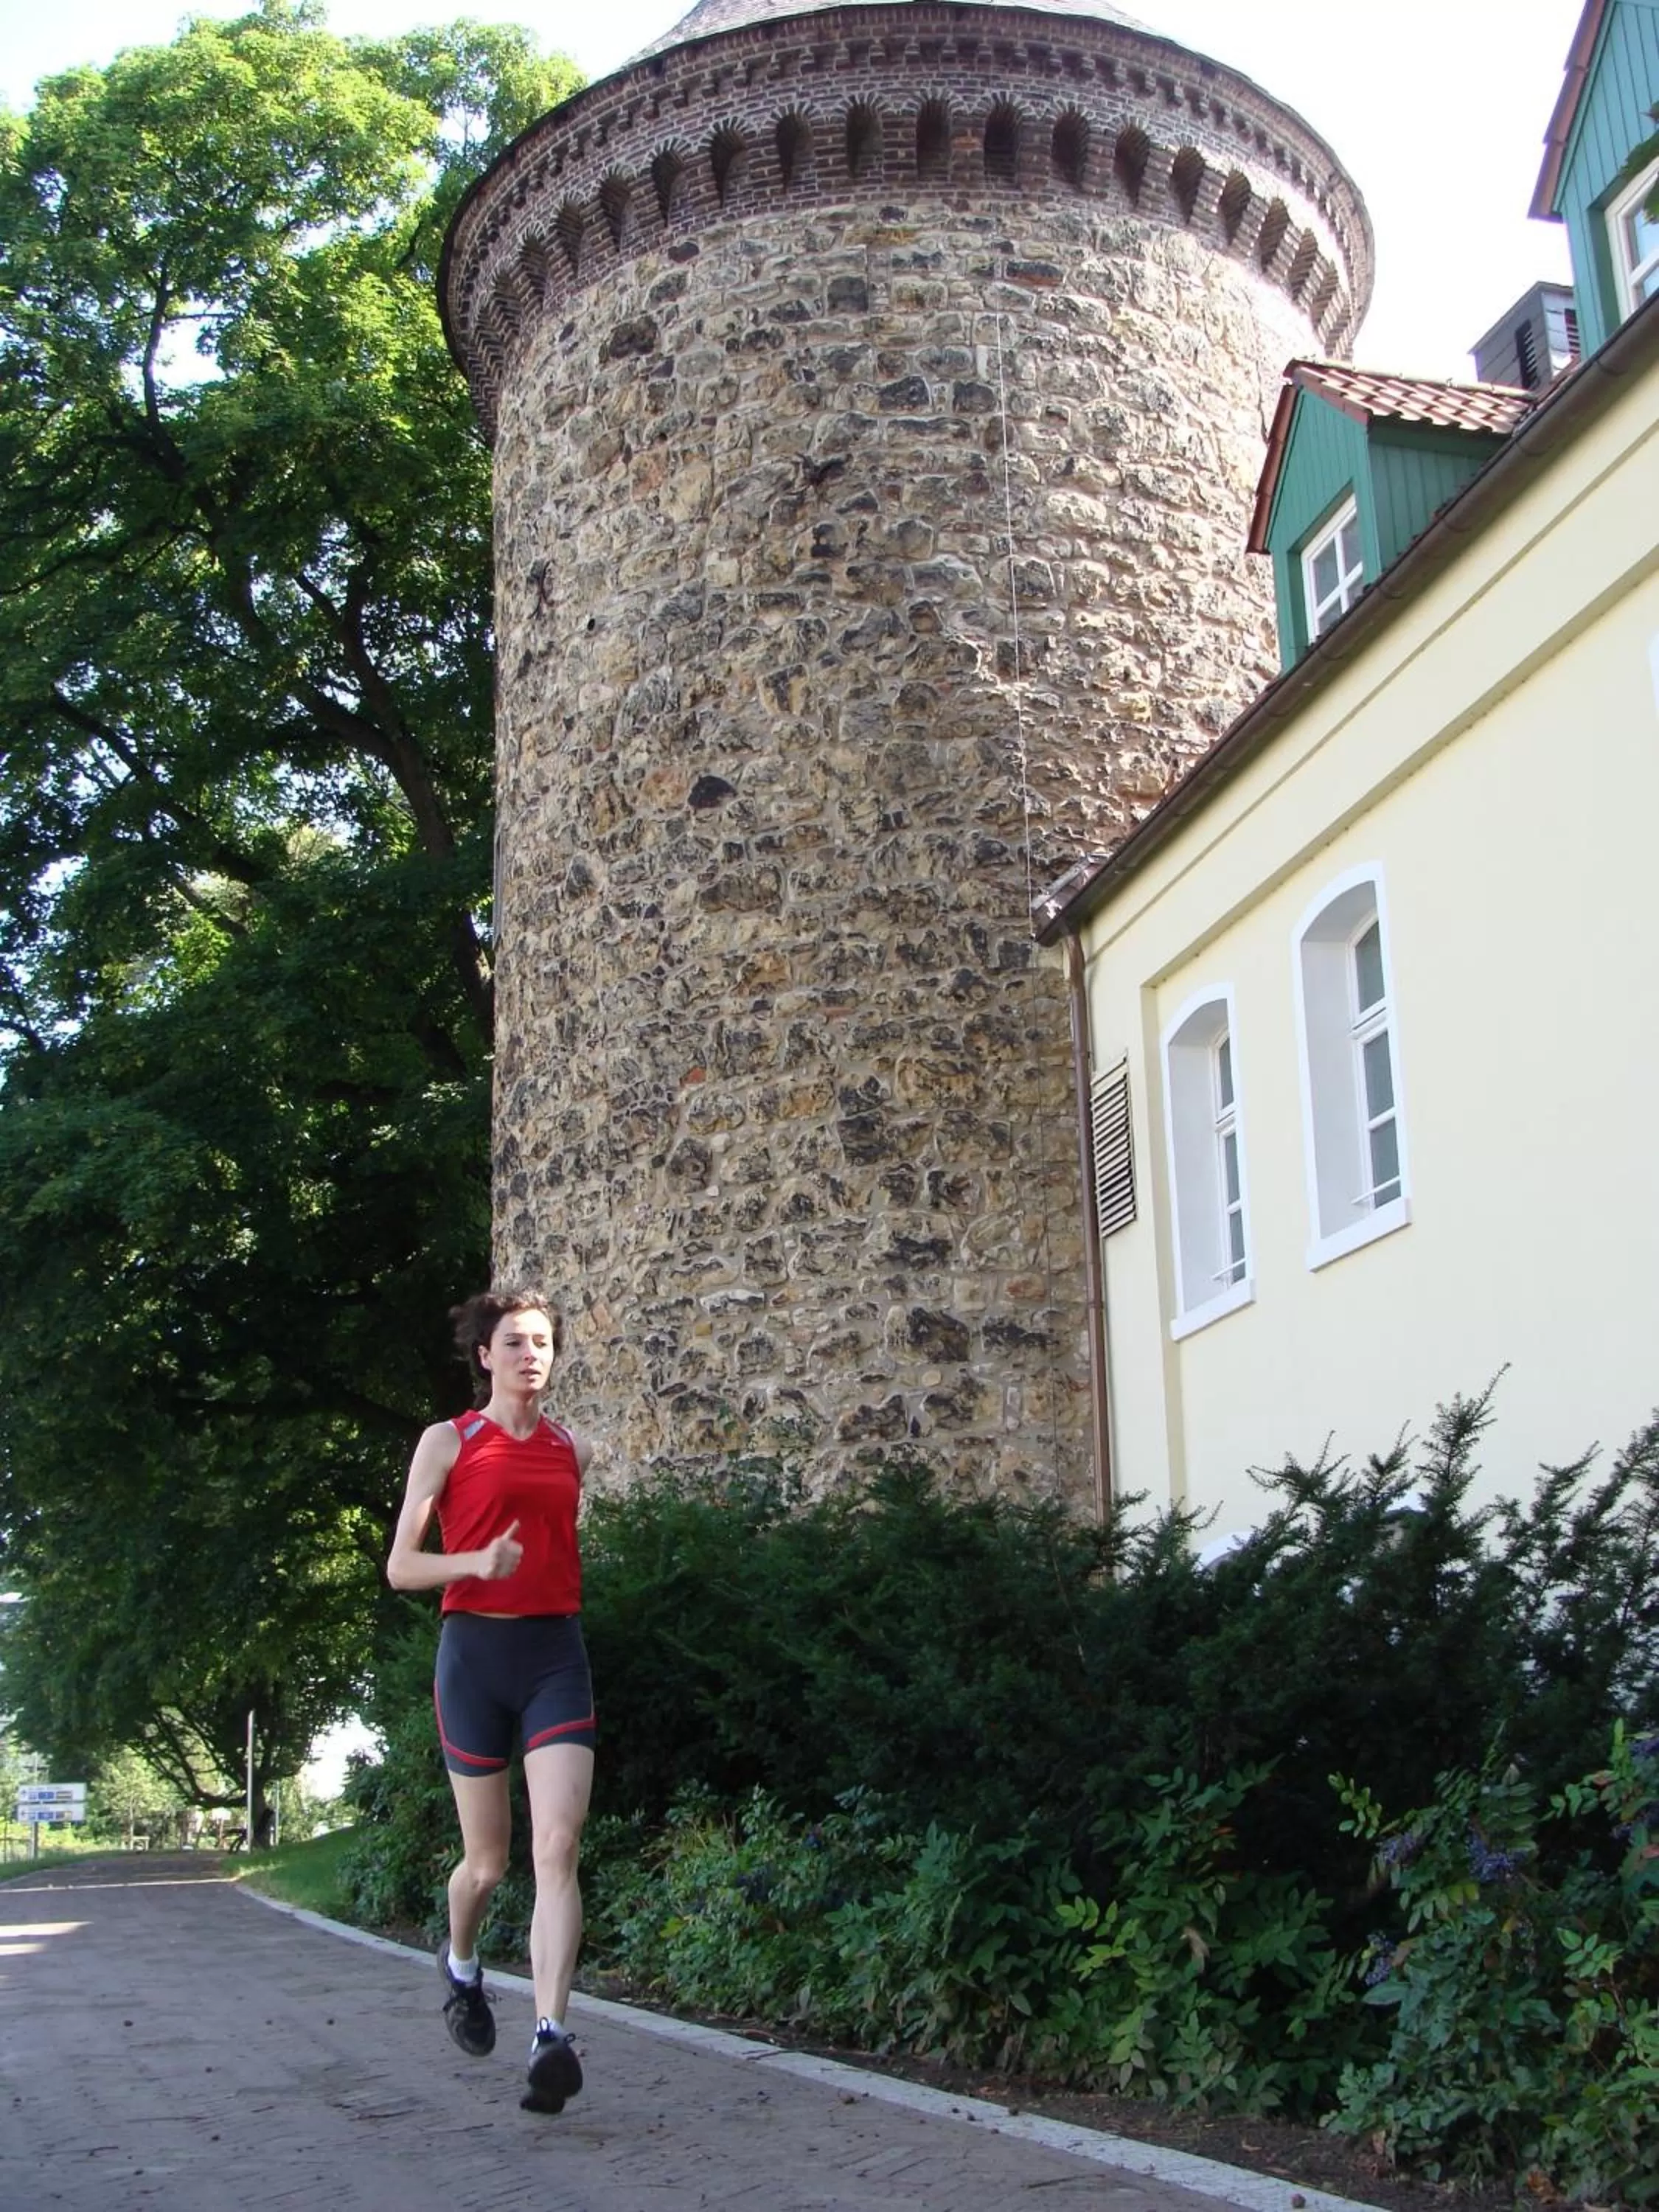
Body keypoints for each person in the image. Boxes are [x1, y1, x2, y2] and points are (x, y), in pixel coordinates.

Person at [387, 1288, 595, 2115]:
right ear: (485, 1355)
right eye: (515, 1342)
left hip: (555, 1656)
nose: (530, 1355)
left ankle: (551, 2035)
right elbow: (402, 1568)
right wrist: (474, 1565)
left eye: (542, 1342)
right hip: (474, 1656)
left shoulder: (570, 1448)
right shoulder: (449, 1441)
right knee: (488, 1863)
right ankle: (463, 1964)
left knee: (557, 1846)